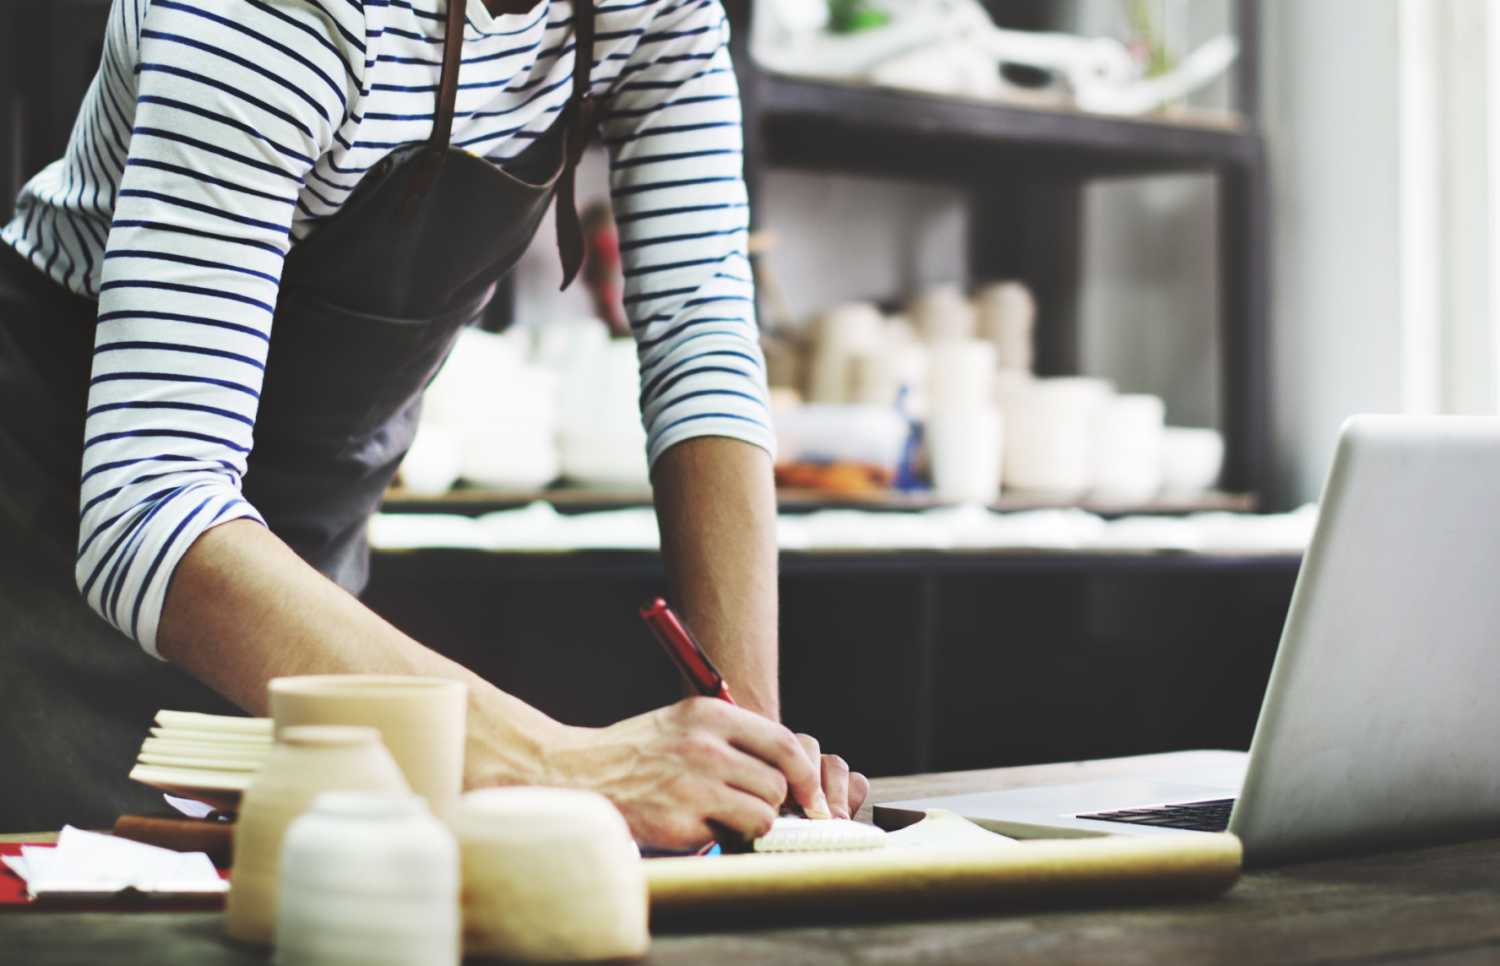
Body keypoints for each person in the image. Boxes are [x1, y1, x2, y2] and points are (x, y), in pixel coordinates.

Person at [0, 0, 867, 842]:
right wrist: (559, 766)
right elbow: (149, 505)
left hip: (297, 575)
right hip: (50, 524)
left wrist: (753, 758)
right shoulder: (276, 13)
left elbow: (699, 338)